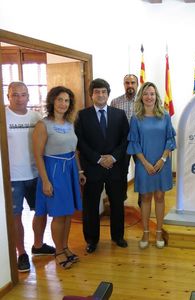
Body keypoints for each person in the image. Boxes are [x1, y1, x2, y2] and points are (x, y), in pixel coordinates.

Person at [33, 86, 85, 269]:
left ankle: (65, 247)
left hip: (69, 169)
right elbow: (38, 155)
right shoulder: (43, 125)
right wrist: (46, 181)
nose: (63, 103)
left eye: (67, 100)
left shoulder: (70, 123)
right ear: (52, 101)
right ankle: (58, 252)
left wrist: (79, 172)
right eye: (60, 99)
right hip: (54, 172)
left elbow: (74, 150)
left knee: (68, 213)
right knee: (58, 215)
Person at [6, 81, 55, 272]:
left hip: (36, 174)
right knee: (16, 216)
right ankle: (21, 253)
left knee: (40, 212)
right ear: (8, 96)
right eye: (15, 95)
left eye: (23, 94)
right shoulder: (3, 117)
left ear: (28, 96)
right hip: (13, 177)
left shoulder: (36, 117)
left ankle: (38, 245)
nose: (19, 98)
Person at [75, 78, 129, 253]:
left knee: (117, 204)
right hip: (92, 167)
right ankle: (91, 240)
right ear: (91, 95)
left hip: (115, 167)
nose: (100, 95)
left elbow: (125, 140)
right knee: (90, 206)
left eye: (103, 92)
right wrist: (98, 159)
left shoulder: (119, 115)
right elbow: (80, 142)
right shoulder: (82, 116)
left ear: (108, 94)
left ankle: (118, 236)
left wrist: (113, 157)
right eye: (97, 92)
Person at [127, 82, 176, 249]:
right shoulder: (136, 118)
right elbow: (134, 143)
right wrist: (146, 163)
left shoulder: (165, 116)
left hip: (162, 163)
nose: (149, 97)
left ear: (157, 96)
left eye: (152, 94)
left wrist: (162, 160)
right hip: (144, 164)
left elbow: (170, 140)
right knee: (146, 197)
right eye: (146, 94)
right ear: (141, 97)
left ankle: (160, 231)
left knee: (160, 197)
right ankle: (146, 232)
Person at [110, 74, 139, 204]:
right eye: (127, 83)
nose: (130, 85)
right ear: (124, 85)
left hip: (140, 142)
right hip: (122, 143)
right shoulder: (115, 102)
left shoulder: (144, 101)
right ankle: (121, 200)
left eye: (133, 83)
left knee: (142, 170)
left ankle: (142, 201)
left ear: (137, 84)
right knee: (121, 171)